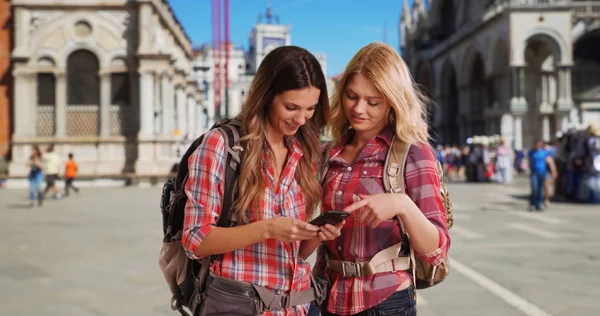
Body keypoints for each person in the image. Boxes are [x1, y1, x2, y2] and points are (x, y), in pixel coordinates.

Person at [182, 46, 344, 316]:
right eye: (291, 107)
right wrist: (267, 229)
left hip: (298, 307)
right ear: (267, 96)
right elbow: (195, 240)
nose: (301, 119)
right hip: (239, 305)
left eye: (310, 109)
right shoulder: (222, 145)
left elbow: (295, 255)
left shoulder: (303, 153)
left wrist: (316, 235)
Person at [312, 42, 450, 316]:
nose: (359, 109)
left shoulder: (412, 152)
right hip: (328, 296)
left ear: (392, 102)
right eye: (352, 96)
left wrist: (402, 205)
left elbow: (437, 251)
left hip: (385, 302)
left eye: (373, 102)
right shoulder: (329, 153)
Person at [528, 139, 557, 211]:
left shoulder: (544, 152)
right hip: (534, 173)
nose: (538, 145)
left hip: (542, 173)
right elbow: (529, 161)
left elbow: (550, 162)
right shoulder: (531, 152)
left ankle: (538, 204)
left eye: (539, 144)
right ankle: (532, 203)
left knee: (540, 189)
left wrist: (554, 171)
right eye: (537, 143)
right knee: (534, 189)